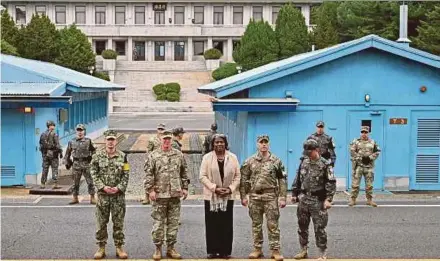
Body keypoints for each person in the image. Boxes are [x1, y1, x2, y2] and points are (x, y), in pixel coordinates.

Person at [239, 135, 287, 261]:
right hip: (255, 197)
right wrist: (243, 196)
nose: (264, 144)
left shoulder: (276, 161)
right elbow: (243, 179)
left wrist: (282, 197)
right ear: (257, 144)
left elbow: (282, 179)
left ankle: (275, 250)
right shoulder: (250, 161)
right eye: (261, 142)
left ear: (269, 144)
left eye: (266, 142)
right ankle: (257, 249)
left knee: (273, 225)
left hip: (271, 196)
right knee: (256, 224)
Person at [144, 130, 190, 260]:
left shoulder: (178, 155)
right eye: (164, 139)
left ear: (171, 140)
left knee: (173, 223)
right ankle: (158, 248)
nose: (167, 141)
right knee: (158, 223)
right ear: (160, 140)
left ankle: (171, 248)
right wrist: (150, 190)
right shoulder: (153, 155)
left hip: (175, 194)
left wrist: (185, 188)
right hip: (159, 194)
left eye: (169, 139)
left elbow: (184, 172)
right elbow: (148, 174)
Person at [291, 139, 336, 260]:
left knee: (319, 228)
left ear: (317, 150)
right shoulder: (304, 162)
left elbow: (331, 183)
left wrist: (328, 199)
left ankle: (322, 252)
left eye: (310, 152)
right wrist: (294, 194)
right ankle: (303, 250)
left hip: (318, 201)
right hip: (304, 199)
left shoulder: (325, 164)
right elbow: (298, 179)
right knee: (302, 227)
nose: (308, 154)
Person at [199, 134, 241, 259]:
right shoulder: (207, 158)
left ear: (225, 143)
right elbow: (202, 176)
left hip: (227, 196)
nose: (219, 144)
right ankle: (212, 251)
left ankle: (225, 251)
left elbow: (238, 176)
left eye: (221, 142)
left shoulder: (233, 157)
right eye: (216, 142)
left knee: (226, 224)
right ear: (213, 144)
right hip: (211, 196)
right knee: (212, 224)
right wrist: (214, 188)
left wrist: (230, 189)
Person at [90, 130, 129, 260]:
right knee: (101, 223)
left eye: (113, 139)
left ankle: (119, 247)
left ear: (116, 141)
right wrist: (102, 187)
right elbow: (93, 172)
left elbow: (126, 174)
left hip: (118, 196)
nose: (111, 142)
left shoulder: (123, 156)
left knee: (118, 223)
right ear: (105, 141)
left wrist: (119, 188)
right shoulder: (97, 156)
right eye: (108, 139)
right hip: (103, 196)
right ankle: (101, 248)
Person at [63, 124, 97, 205]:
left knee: (90, 181)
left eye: (81, 130)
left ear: (84, 131)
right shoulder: (71, 142)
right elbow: (67, 153)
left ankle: (92, 197)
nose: (80, 132)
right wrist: (67, 162)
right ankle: (75, 198)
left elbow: (94, 151)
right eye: (78, 130)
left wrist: (92, 158)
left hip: (86, 163)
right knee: (75, 182)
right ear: (76, 132)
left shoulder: (88, 141)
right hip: (76, 164)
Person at [348, 126, 381, 207]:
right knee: (355, 184)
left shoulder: (373, 142)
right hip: (358, 166)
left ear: (368, 133)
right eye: (362, 132)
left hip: (369, 166)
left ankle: (369, 200)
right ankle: (353, 199)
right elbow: (352, 151)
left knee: (369, 185)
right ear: (360, 133)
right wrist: (361, 158)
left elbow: (378, 151)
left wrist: (370, 158)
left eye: (366, 132)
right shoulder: (356, 142)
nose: (364, 134)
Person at [142, 123, 166, 205]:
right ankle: (146, 197)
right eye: (159, 129)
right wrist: (149, 161)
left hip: (163, 162)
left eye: (162, 129)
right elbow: (148, 151)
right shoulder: (152, 139)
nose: (161, 131)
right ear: (157, 130)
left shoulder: (166, 139)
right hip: (153, 162)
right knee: (148, 179)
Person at [39, 120, 63, 189]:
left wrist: (44, 153)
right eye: (53, 125)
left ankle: (43, 184)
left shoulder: (42, 134)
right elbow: (58, 145)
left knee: (45, 169)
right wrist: (60, 152)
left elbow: (40, 144)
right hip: (53, 154)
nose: (54, 126)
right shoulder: (54, 134)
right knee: (54, 168)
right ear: (51, 126)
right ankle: (55, 184)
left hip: (45, 154)